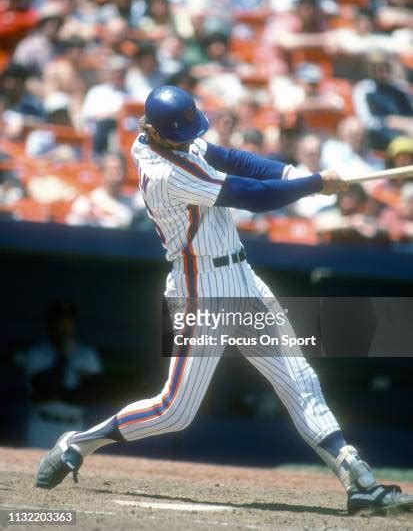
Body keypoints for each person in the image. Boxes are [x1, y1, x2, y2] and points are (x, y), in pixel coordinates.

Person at [35, 86, 413, 515]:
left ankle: (357, 479)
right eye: (181, 134)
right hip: (202, 291)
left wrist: (291, 173)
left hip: (241, 277)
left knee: (300, 380)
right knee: (174, 412)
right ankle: (78, 443)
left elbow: (233, 158)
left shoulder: (168, 135)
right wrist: (315, 184)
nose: (189, 138)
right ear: (158, 133)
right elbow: (249, 195)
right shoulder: (164, 172)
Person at [20, 300, 102, 448]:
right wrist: (62, 358)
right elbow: (41, 393)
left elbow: (91, 395)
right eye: (58, 321)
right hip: (42, 425)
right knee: (34, 469)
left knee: (71, 469)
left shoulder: (87, 355)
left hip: (73, 425)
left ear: (74, 323)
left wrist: (58, 392)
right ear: (49, 323)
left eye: (67, 321)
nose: (62, 326)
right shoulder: (37, 354)